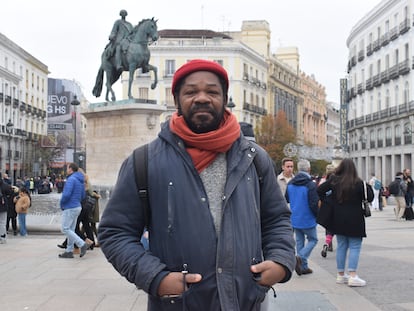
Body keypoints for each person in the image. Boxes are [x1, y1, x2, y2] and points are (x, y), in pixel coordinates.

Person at [98, 59, 296, 310]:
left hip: (245, 301)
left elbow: (276, 218)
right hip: (178, 304)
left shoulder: (255, 159)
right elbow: (114, 232)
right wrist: (156, 278)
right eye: (191, 91)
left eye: (212, 91)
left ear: (224, 98)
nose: (202, 98)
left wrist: (280, 261)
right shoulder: (144, 161)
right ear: (177, 100)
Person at [317, 158, 374, 287]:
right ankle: (353, 275)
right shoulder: (359, 183)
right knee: (354, 246)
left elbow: (319, 190)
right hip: (355, 219)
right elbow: (370, 197)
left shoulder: (333, 181)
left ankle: (340, 275)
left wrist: (329, 201)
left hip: (338, 218)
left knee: (341, 246)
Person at [286, 159, 319, 275]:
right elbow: (314, 203)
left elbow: (287, 199)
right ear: (309, 169)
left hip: (295, 217)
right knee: (313, 239)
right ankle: (300, 257)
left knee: (300, 241)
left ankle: (303, 266)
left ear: (297, 169)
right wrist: (317, 215)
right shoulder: (310, 184)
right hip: (308, 217)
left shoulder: (290, 183)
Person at [58, 162, 91, 258]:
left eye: (67, 168)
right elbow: (82, 195)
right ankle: (69, 251)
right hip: (77, 206)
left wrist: (62, 204)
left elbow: (66, 194)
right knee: (71, 229)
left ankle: (82, 244)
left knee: (65, 229)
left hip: (70, 207)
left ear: (71, 169)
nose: (66, 170)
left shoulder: (71, 179)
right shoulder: (80, 180)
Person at [318, 164, 336, 257]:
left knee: (328, 226)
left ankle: (328, 243)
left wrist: (324, 199)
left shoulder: (323, 181)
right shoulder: (337, 180)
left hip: (326, 206)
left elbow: (319, 191)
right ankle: (330, 242)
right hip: (336, 206)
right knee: (335, 226)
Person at [0, 174, 13, 244]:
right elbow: (10, 192)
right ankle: (3, 237)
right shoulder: (5, 185)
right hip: (3, 206)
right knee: (2, 223)